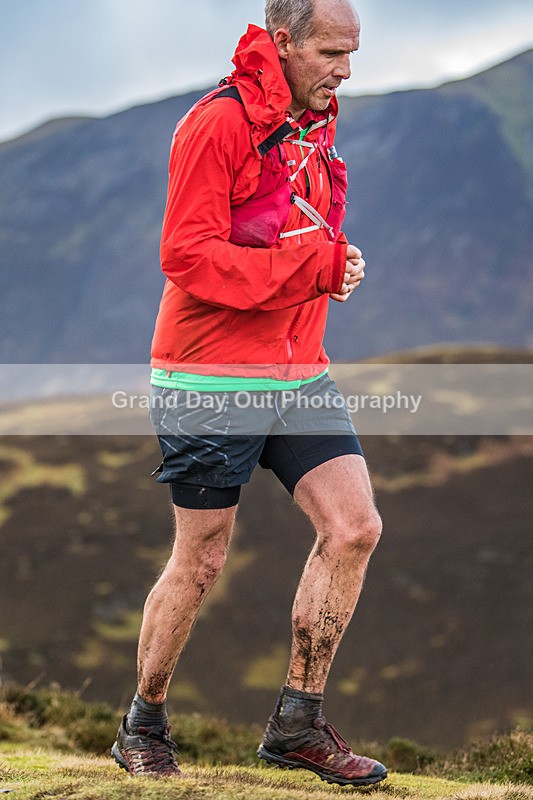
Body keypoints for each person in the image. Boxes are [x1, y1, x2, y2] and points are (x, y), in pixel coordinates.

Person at [112, 0, 387, 787]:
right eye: (331, 52)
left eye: (352, 53)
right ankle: (143, 724)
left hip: (298, 370)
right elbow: (187, 256)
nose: (344, 70)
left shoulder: (313, 116)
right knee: (201, 559)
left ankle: (296, 725)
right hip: (208, 374)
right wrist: (312, 270)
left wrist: (336, 261)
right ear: (282, 40)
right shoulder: (218, 123)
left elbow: (289, 227)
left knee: (355, 527)